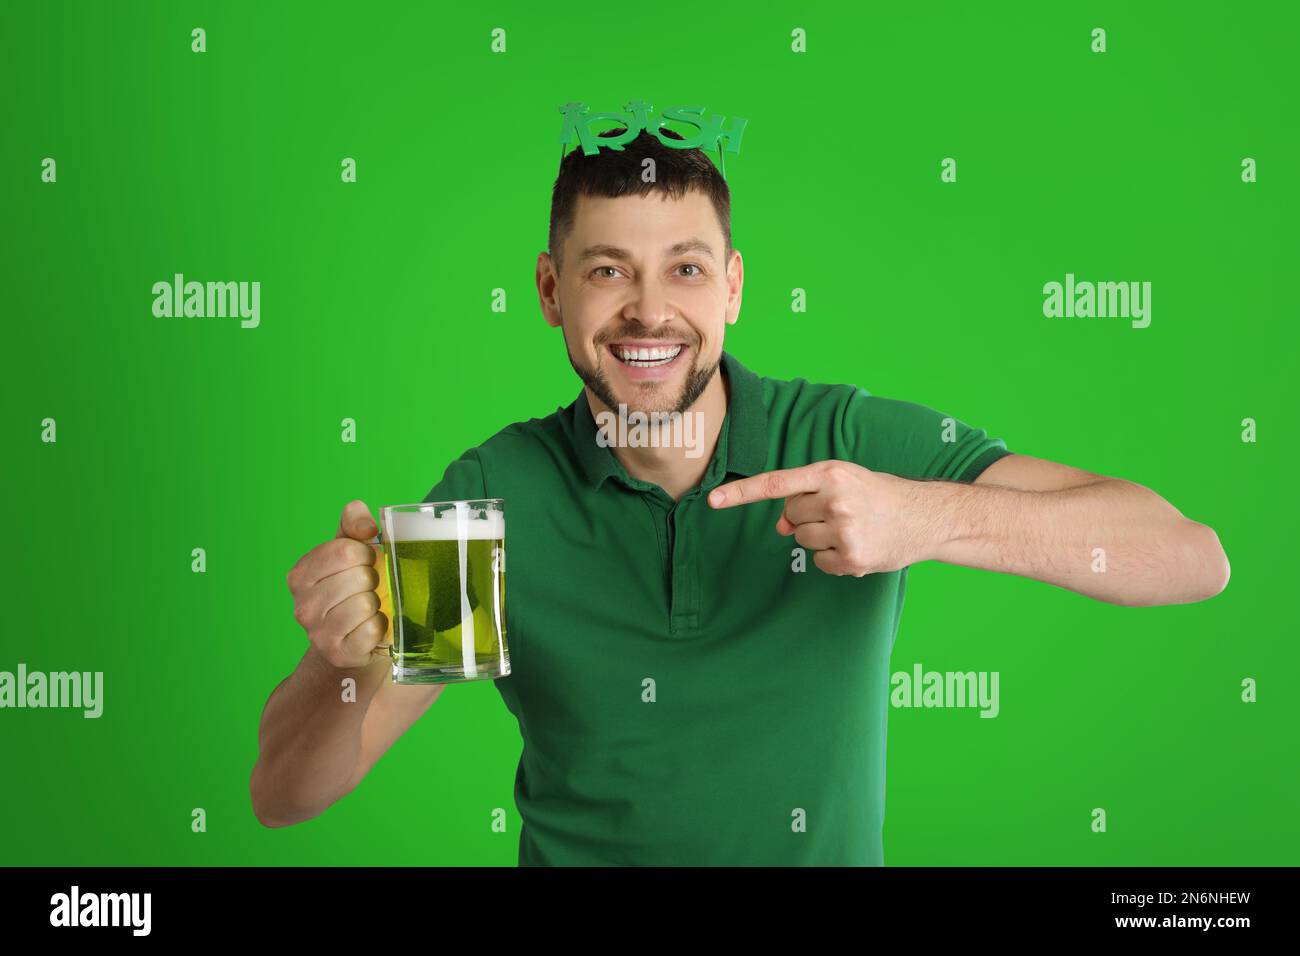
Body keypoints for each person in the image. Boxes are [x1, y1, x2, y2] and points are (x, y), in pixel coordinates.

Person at [250, 127, 1230, 865]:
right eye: (607, 271)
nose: (647, 309)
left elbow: (1187, 556)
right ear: (552, 292)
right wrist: (343, 664)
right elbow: (288, 792)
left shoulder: (841, 440)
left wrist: (924, 515)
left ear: (731, 287)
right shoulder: (496, 497)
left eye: (683, 267)